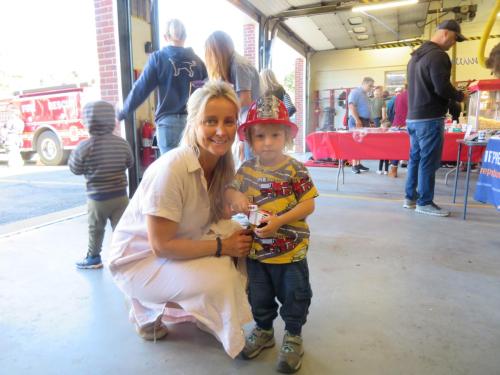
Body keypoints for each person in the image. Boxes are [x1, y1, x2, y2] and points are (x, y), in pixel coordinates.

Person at [107, 81, 254, 359]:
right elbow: (161, 246)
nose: (222, 131)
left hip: (181, 238)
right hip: (139, 259)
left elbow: (208, 214)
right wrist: (223, 246)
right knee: (221, 278)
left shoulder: (222, 162)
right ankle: (143, 308)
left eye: (229, 121)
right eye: (211, 121)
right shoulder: (171, 168)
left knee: (245, 240)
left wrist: (234, 203)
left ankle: (207, 313)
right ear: (194, 122)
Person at [225, 96, 318, 373]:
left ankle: (293, 336)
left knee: (295, 296)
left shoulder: (295, 169)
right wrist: (236, 196)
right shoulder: (246, 170)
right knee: (258, 297)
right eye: (260, 136)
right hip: (257, 253)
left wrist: (280, 221)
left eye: (275, 135)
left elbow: (308, 203)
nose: (267, 142)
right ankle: (264, 331)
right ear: (250, 140)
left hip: (291, 252)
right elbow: (230, 189)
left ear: (287, 137)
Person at [404, 20, 466, 217]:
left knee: (415, 158)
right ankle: (425, 202)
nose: (454, 43)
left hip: (413, 118)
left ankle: (410, 198)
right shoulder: (439, 56)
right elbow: (441, 87)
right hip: (429, 118)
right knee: (428, 161)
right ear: (446, 33)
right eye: (455, 38)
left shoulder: (415, 56)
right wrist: (459, 96)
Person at [118, 19, 207, 154]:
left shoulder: (158, 58)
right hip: (193, 124)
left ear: (166, 37)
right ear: (185, 36)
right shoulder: (199, 62)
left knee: (170, 172)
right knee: (194, 168)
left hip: (168, 125)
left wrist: (122, 113)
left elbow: (141, 89)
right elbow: (206, 93)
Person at [69, 101, 134, 269]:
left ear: (88, 122)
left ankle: (93, 258)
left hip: (97, 199)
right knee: (122, 229)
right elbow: (130, 162)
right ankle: (125, 256)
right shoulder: (122, 143)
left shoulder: (85, 147)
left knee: (95, 229)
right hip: (120, 197)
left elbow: (75, 168)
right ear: (111, 120)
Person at [205, 30, 260, 163]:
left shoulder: (238, 65)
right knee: (250, 162)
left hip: (252, 123)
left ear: (217, 52)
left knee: (253, 165)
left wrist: (224, 112)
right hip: (249, 122)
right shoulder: (234, 64)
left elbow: (245, 99)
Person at [348, 77, 374, 173]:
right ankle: (354, 165)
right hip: (357, 120)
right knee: (355, 143)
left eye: (372, 86)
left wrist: (370, 120)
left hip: (364, 120)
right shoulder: (355, 92)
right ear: (364, 83)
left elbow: (365, 108)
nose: (371, 88)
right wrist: (357, 120)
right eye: (370, 86)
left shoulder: (364, 94)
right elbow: (351, 106)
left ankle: (358, 164)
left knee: (361, 143)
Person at [389, 84, 409, 177]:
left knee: (396, 149)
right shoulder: (414, 95)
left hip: (396, 124)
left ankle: (393, 171)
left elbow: (394, 111)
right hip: (408, 124)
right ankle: (411, 171)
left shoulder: (399, 96)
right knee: (411, 148)